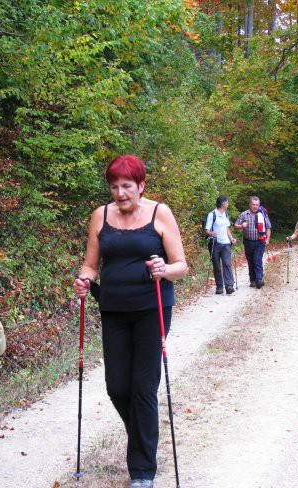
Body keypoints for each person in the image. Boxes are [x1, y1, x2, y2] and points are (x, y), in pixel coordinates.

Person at [73, 155, 188, 488]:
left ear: (141, 185)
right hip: (113, 309)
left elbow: (181, 264)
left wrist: (164, 270)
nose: (120, 193)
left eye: (126, 186)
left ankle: (142, 471)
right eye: (114, 187)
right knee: (117, 387)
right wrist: (83, 280)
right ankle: (143, 434)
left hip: (153, 308)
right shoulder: (100, 216)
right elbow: (91, 265)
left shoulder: (159, 213)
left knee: (143, 388)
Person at [234, 196, 272, 289]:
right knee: (250, 261)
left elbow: (268, 227)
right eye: (253, 204)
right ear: (250, 204)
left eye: (257, 205)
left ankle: (259, 279)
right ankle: (253, 280)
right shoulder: (244, 214)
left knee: (257, 260)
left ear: (259, 205)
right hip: (248, 242)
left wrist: (267, 239)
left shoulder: (262, 214)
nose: (255, 206)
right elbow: (235, 225)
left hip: (260, 241)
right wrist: (242, 226)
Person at [204, 195, 237, 294]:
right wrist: (211, 233)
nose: (228, 204)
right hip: (215, 243)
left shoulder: (225, 214)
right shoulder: (212, 215)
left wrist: (231, 238)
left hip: (226, 243)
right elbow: (207, 230)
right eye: (227, 202)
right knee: (217, 265)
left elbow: (227, 228)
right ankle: (219, 286)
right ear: (223, 204)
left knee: (227, 263)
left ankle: (229, 286)